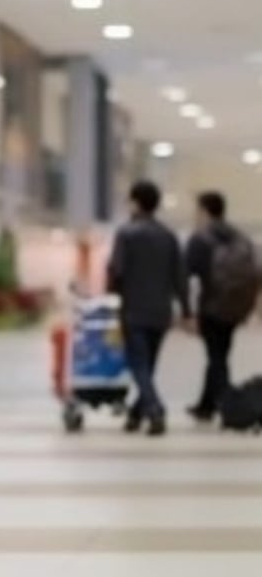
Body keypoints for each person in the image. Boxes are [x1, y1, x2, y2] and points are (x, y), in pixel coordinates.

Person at [108, 181, 191, 436]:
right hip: (161, 313)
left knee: (139, 366)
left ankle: (154, 410)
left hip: (134, 311)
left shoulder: (127, 233)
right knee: (148, 366)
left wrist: (111, 298)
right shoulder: (168, 235)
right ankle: (135, 415)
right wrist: (187, 311)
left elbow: (117, 271)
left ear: (135, 202)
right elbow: (180, 277)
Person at [186, 192, 257, 423]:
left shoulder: (201, 239)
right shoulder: (238, 236)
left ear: (205, 211)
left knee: (216, 358)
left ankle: (230, 406)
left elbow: (186, 274)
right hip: (234, 307)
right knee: (220, 354)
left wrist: (187, 311)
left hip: (211, 306)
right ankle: (206, 405)